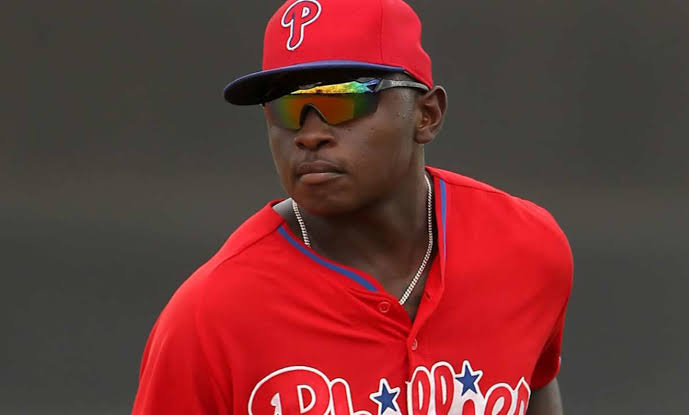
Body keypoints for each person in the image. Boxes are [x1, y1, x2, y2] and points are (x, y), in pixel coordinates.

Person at [132, 0, 573, 414]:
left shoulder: (526, 249)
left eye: (342, 97)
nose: (309, 135)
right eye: (285, 106)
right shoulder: (210, 314)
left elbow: (534, 382)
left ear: (427, 114)